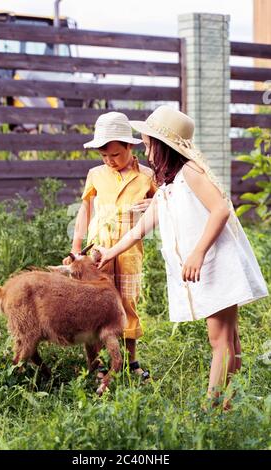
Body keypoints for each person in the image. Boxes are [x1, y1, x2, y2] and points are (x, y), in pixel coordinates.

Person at [96, 105, 269, 409]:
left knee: (220, 340)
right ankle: (229, 402)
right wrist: (109, 252)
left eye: (149, 146)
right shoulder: (168, 185)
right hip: (208, 266)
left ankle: (210, 408)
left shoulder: (191, 171)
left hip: (216, 264)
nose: (147, 153)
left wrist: (198, 253)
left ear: (163, 147)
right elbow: (141, 229)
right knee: (229, 337)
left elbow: (221, 209)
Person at [63, 111, 157, 380]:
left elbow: (167, 204)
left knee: (127, 304)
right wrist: (76, 247)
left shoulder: (147, 176)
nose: (109, 161)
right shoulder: (96, 174)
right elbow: (85, 211)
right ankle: (95, 363)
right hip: (97, 251)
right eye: (104, 156)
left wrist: (153, 203)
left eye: (115, 154)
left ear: (129, 146)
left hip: (129, 253)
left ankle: (131, 361)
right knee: (91, 304)